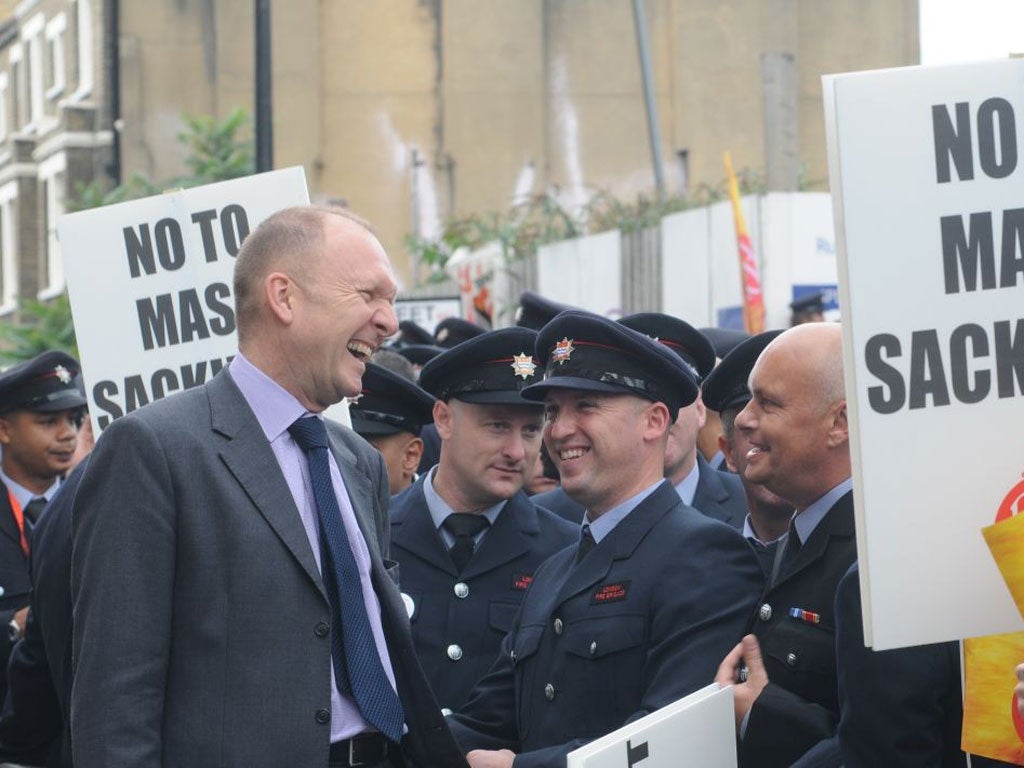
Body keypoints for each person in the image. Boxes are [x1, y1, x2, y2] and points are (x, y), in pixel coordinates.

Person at [71, 206, 467, 768]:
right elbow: (117, 697)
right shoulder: (155, 450)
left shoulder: (358, 462)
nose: (389, 322)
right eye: (369, 295)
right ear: (284, 297)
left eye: (392, 302)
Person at [448, 310, 764, 768]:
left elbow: (672, 739)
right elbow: (486, 719)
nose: (559, 430)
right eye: (553, 410)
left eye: (586, 406)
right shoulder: (555, 570)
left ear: (655, 422)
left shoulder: (706, 557)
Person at [389, 328, 577, 712]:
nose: (516, 451)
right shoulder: (372, 533)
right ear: (443, 419)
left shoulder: (565, 551)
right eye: (497, 426)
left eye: (530, 430)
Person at [714, 322, 856, 768]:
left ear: (839, 423)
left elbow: (886, 740)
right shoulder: (801, 533)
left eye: (768, 403)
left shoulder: (878, 559)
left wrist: (762, 713)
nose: (743, 419)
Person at [0, 350, 86, 704]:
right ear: (4, 429)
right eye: (48, 421)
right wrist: (15, 625)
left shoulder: (91, 503)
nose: (68, 434)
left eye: (74, 419)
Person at [619, 313, 748, 529]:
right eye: (640, 396)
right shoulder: (568, 515)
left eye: (673, 396)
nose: (659, 415)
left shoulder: (751, 506)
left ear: (700, 410)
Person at [701, 330, 793, 573]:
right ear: (728, 452)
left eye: (780, 420)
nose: (768, 440)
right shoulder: (704, 565)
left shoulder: (862, 554)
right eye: (749, 430)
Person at [349, 362, 435, 495]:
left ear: (410, 456)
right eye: (341, 445)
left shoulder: (431, 514)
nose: (348, 458)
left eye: (366, 451)